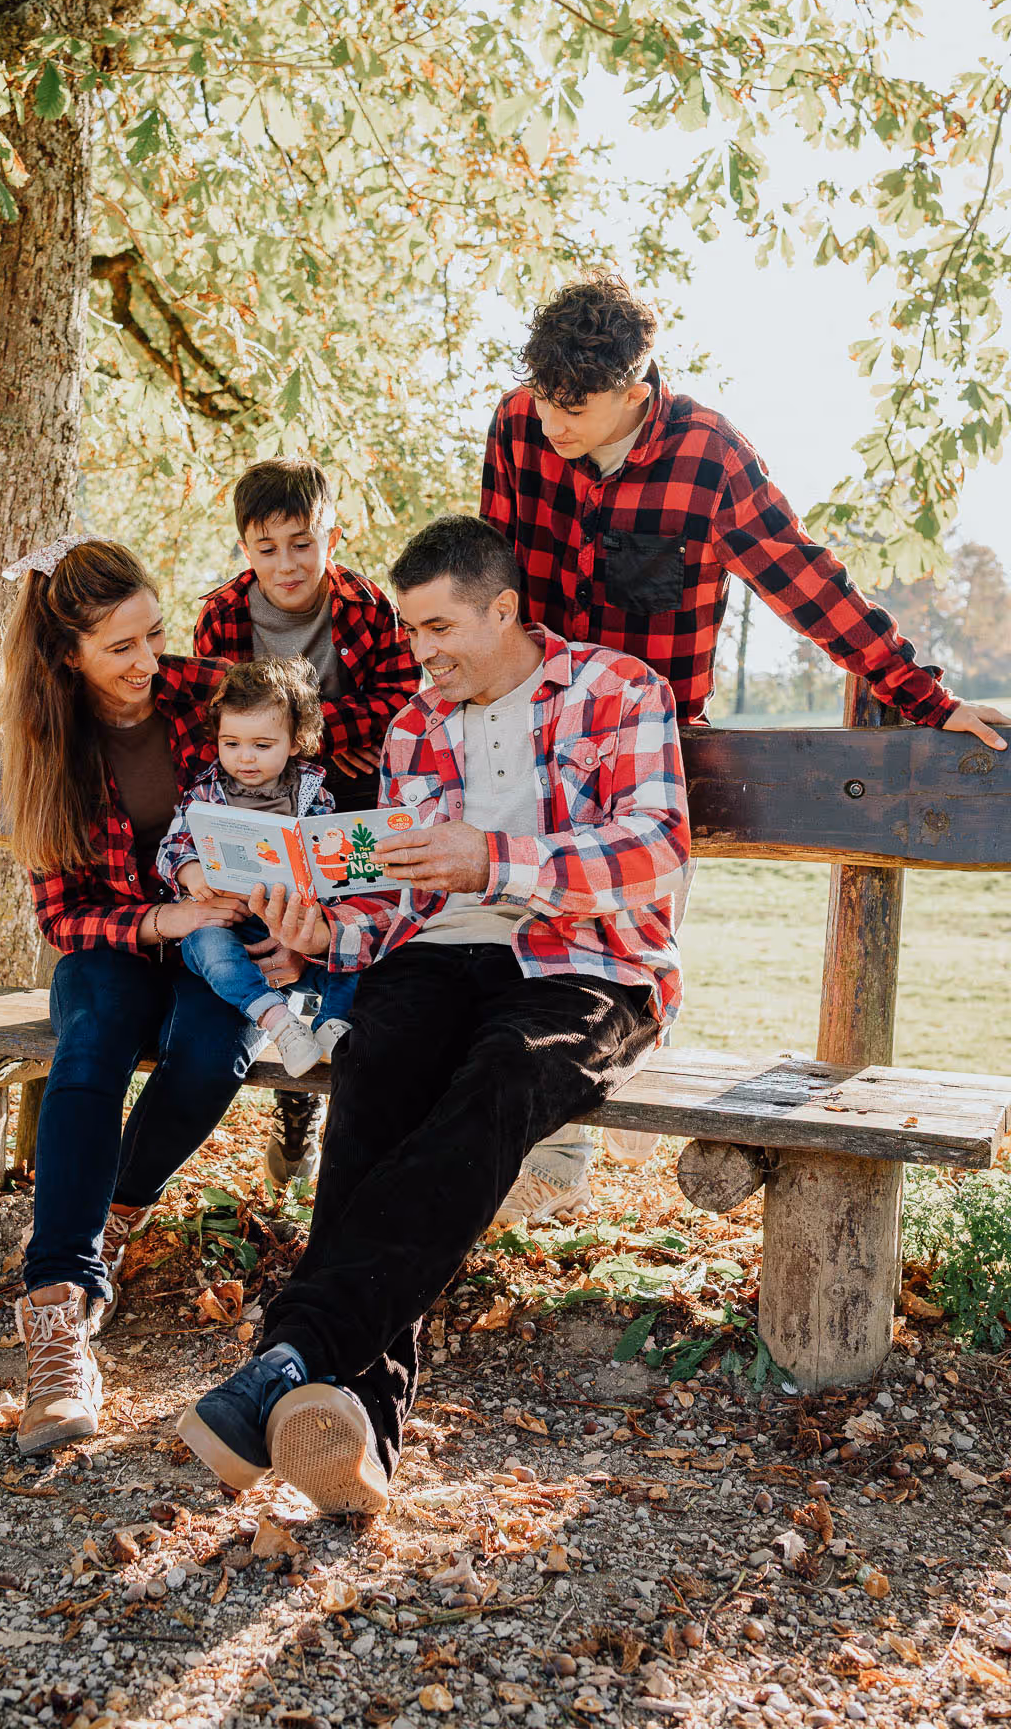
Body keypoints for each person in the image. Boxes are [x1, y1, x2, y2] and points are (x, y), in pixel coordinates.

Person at [175, 514, 690, 1515]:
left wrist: (494, 863)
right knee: (377, 1064)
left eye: (439, 628)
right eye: (410, 632)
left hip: (586, 966)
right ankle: (350, 1422)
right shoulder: (416, 724)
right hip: (439, 956)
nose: (421, 654)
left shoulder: (619, 691)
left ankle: (297, 1351)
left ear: (503, 609)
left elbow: (656, 849)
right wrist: (323, 936)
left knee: (501, 1074)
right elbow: (398, 890)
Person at [483, 269, 1010, 1220]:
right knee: (516, 920)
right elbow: (492, 570)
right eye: (543, 395)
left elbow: (806, 584)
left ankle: (563, 1140)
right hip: (534, 718)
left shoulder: (710, 457)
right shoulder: (519, 426)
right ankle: (532, 1145)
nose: (551, 418)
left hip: (649, 739)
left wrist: (922, 697)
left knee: (617, 945)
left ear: (636, 392)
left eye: (574, 404)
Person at [0, 536, 300, 1457]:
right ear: (67, 654)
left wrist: (292, 920)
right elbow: (61, 915)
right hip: (122, 938)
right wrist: (163, 922)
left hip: (227, 937)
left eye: (153, 635)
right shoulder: (48, 743)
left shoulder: (197, 691)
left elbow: (304, 759)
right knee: (89, 1047)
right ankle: (56, 1314)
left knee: (215, 1052)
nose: (146, 662)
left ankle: (116, 1214)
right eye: (120, 647)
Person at [194, 458, 421, 1188]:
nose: (288, 565)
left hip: (350, 798)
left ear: (333, 534)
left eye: (303, 542)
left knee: (346, 931)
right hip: (256, 804)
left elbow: (398, 701)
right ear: (244, 549)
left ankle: (332, 1094)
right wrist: (280, 744)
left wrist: (304, 731)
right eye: (267, 548)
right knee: (270, 923)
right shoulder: (223, 616)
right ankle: (297, 1096)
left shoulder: (364, 605)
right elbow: (220, 724)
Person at [156, 656, 359, 1079]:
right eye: (232, 744)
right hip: (229, 925)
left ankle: (331, 1026)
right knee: (207, 946)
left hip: (296, 925)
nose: (245, 758)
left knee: (356, 943)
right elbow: (172, 845)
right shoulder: (207, 790)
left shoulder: (313, 794)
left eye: (262, 746)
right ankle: (278, 1021)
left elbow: (328, 868)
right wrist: (190, 871)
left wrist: (320, 909)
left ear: (295, 741)